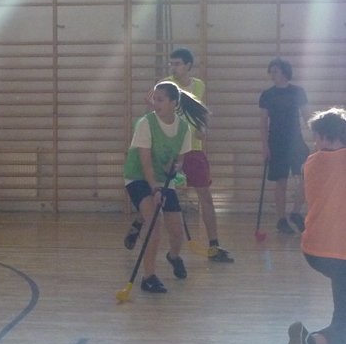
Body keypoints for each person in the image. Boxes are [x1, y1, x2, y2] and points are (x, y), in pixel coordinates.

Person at [124, 48, 233, 263]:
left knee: (205, 195)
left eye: (177, 63)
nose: (173, 67)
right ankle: (141, 220)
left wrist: (202, 128)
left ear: (188, 66)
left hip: (192, 148)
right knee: (158, 196)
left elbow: (198, 111)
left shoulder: (199, 85)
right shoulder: (165, 85)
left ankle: (214, 246)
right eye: (171, 63)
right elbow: (150, 112)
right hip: (168, 148)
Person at [123, 81, 209, 293]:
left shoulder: (183, 128)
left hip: (163, 180)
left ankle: (173, 256)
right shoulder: (146, 123)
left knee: (177, 233)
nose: (156, 103)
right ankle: (148, 277)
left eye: (160, 100)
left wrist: (175, 167)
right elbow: (145, 163)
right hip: (138, 177)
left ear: (173, 103)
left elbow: (180, 161)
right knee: (155, 220)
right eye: (155, 99)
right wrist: (155, 189)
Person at [283, 107, 346, 344]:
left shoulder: (311, 163)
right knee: (342, 326)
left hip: (315, 250)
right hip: (340, 252)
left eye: (316, 138)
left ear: (323, 136)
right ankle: (310, 343)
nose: (314, 143)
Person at [259, 58, 311, 234]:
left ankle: (295, 212)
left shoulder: (297, 91)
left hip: (296, 141)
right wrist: (265, 145)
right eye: (271, 71)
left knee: (305, 177)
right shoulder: (267, 95)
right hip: (276, 143)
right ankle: (281, 219)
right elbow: (263, 122)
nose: (272, 75)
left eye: (275, 71)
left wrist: (317, 137)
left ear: (284, 72)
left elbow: (307, 116)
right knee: (280, 181)